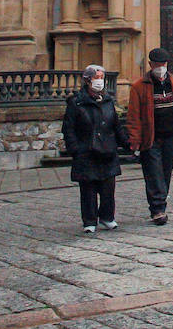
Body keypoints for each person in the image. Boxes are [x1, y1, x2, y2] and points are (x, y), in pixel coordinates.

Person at [126, 48, 173, 227]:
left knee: (165, 171)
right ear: (150, 65)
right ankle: (157, 209)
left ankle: (160, 203)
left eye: (162, 65)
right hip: (151, 137)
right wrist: (135, 139)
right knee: (153, 172)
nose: (160, 68)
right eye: (157, 65)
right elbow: (133, 116)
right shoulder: (138, 87)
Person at [62, 64, 127, 234]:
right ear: (87, 80)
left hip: (107, 150)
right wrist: (75, 149)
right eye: (97, 78)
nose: (100, 81)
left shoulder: (108, 101)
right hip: (86, 150)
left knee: (108, 187)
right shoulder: (76, 102)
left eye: (102, 78)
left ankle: (107, 217)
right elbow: (68, 128)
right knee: (88, 188)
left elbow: (116, 126)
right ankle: (89, 220)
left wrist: (127, 143)